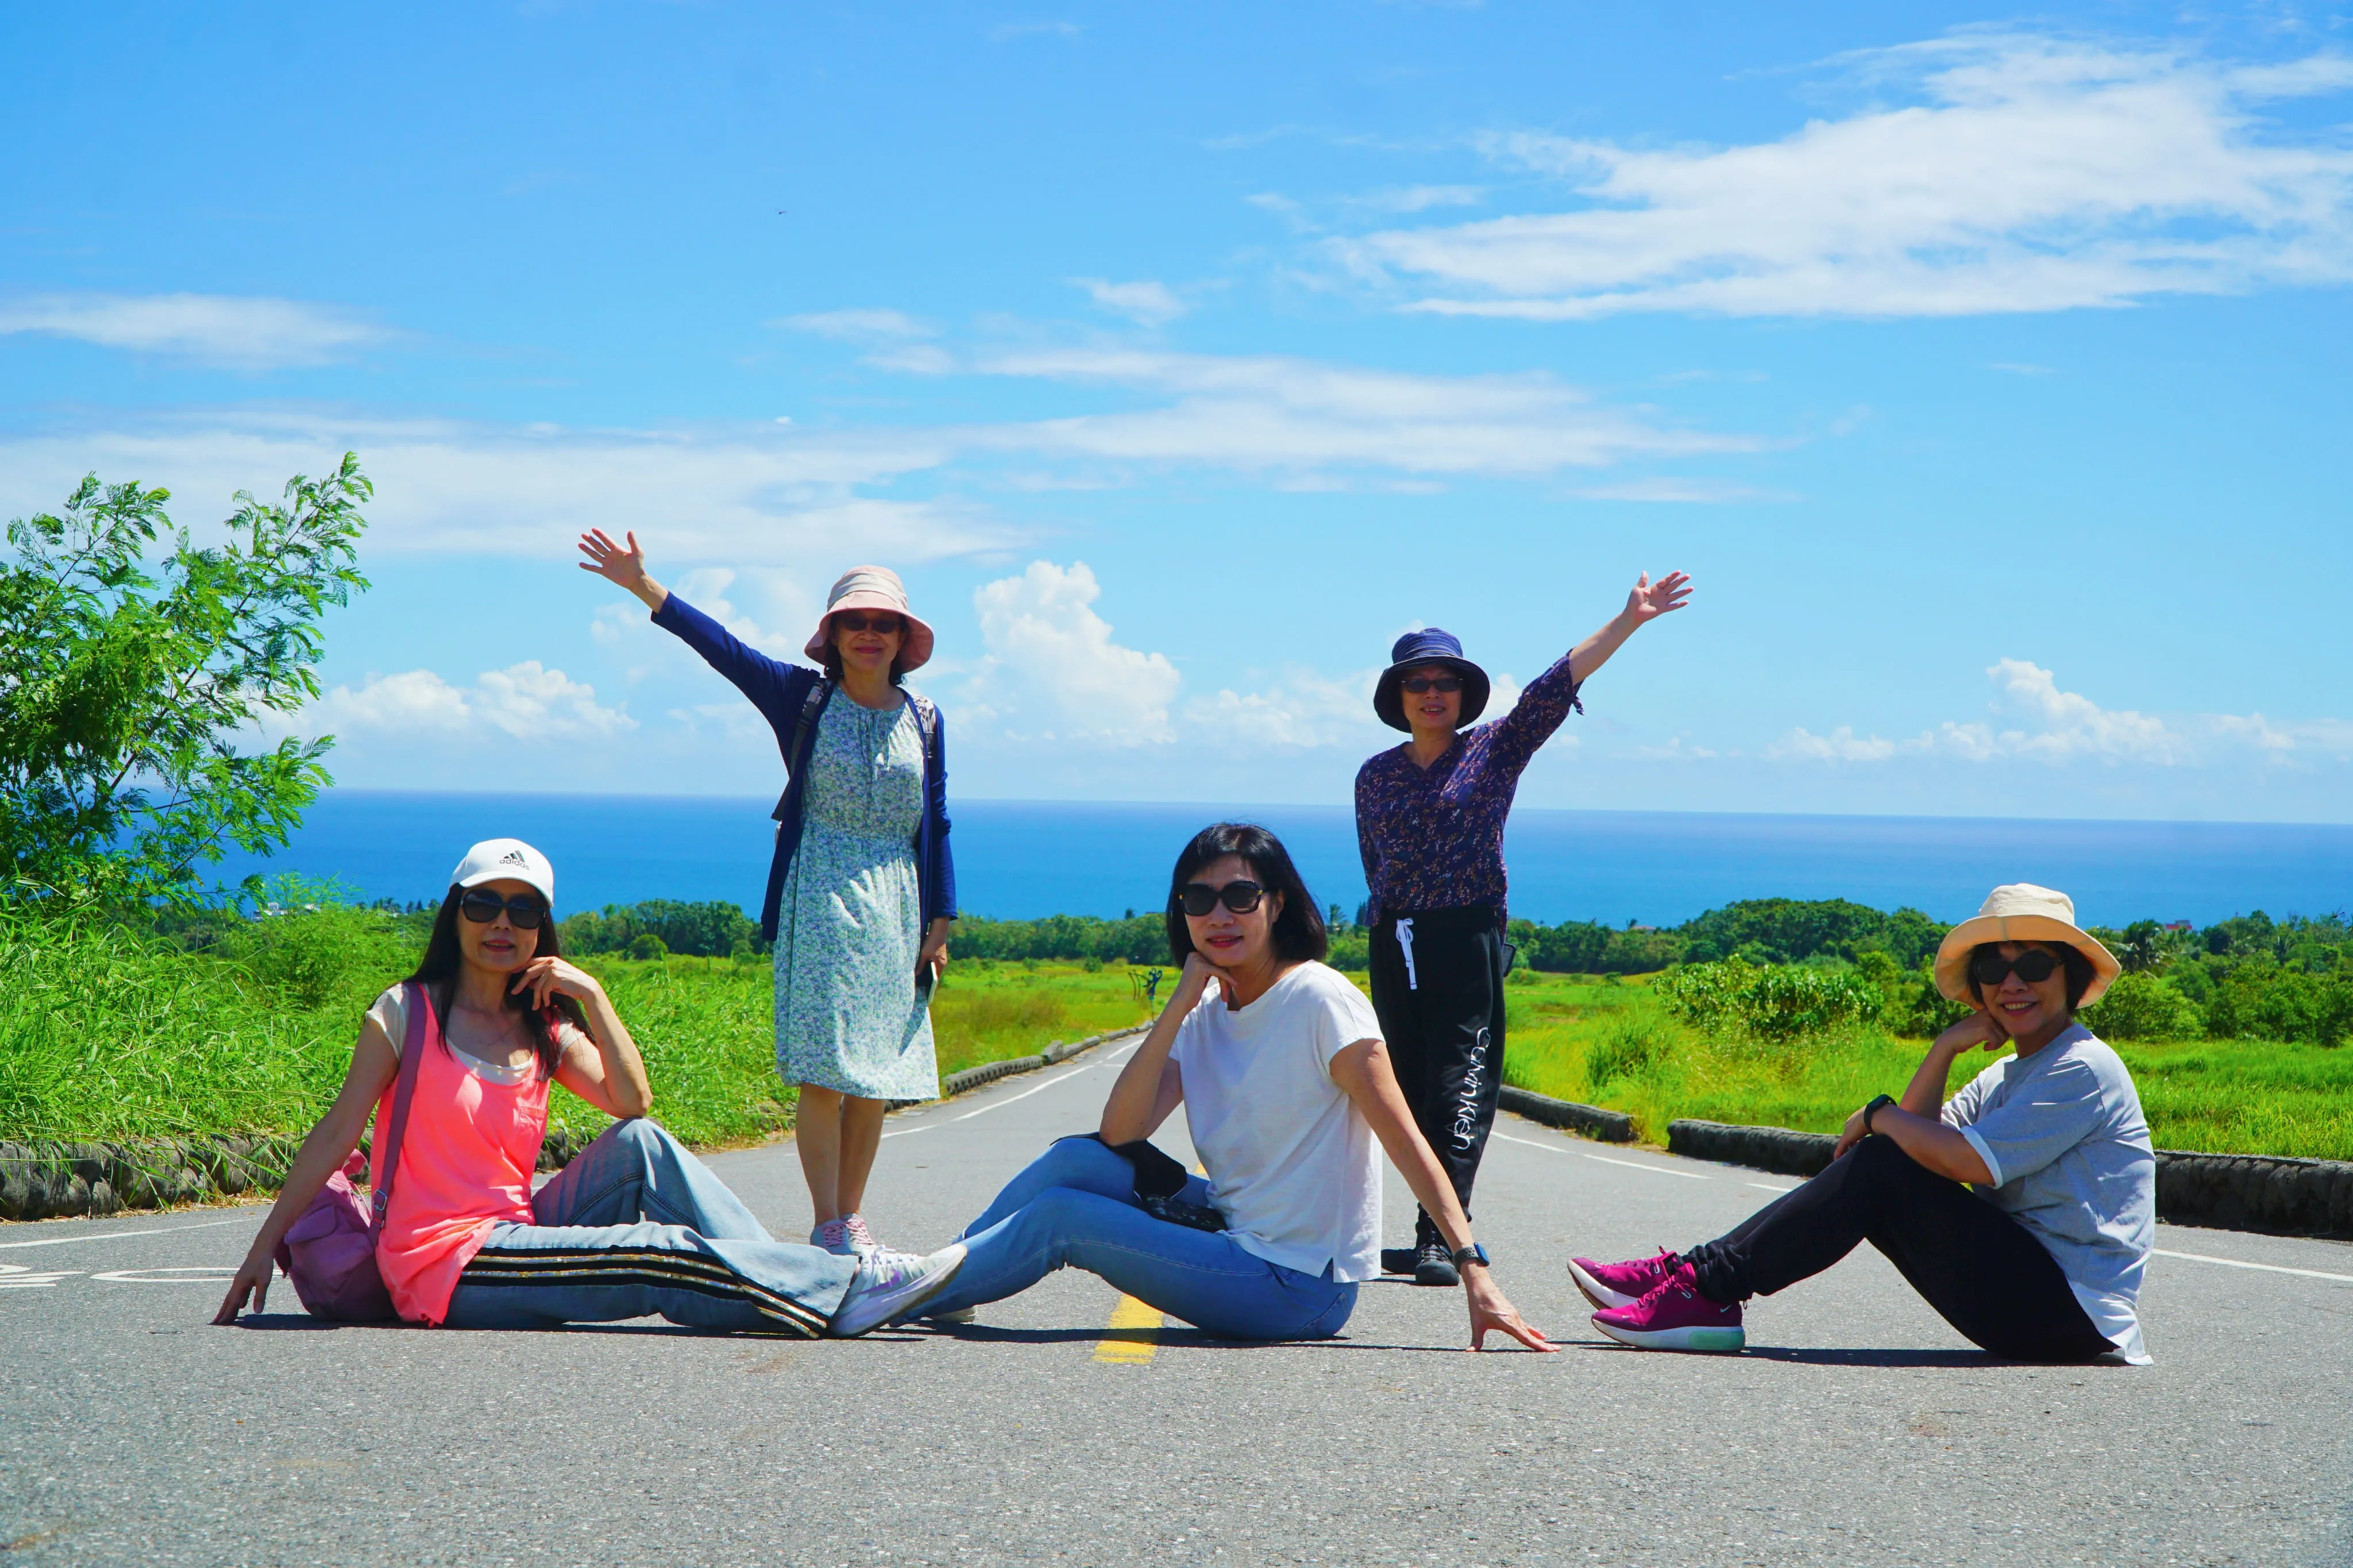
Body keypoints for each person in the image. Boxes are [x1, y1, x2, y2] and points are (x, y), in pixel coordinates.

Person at [213, 839, 964, 1335]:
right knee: (654, 1252)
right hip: (442, 1260)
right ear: (456, 915)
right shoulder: (407, 1012)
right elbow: (335, 1134)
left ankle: (799, 1283)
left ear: (542, 927)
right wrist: (262, 1244)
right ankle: (832, 1289)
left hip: (518, 1230)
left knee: (643, 1146)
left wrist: (594, 995)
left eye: (523, 909)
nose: (500, 923)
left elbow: (632, 1104)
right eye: (483, 905)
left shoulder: (539, 1025)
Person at [913, 822, 1556, 1351]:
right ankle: (933, 1276)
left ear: (1277, 904)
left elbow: (1405, 1139)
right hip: (1233, 1234)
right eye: (1199, 901)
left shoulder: (1319, 1000)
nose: (1219, 915)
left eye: (1240, 897)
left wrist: (1473, 1266)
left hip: (1296, 1286)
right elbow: (1119, 1135)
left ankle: (904, 1289)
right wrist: (1180, 1003)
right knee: (1076, 1159)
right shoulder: (1205, 1014)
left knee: (1062, 1219)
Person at [1571, 883, 2155, 1364]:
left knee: (1880, 1163)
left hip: (2073, 1314)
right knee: (1889, 1157)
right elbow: (1922, 1148)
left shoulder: (2082, 1067)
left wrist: (1879, 1116)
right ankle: (1695, 1278)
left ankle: (1706, 1289)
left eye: (2033, 965)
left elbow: (1961, 1162)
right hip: (2029, 1300)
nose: (2011, 984)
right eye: (1991, 968)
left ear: (2071, 978)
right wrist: (1943, 1049)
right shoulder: (2008, 1074)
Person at [577, 531, 954, 1261]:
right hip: (821, 893)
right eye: (855, 622)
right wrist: (643, 586)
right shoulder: (801, 698)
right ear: (833, 635)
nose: (869, 634)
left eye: (884, 624)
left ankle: (851, 1223)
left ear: (904, 638)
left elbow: (935, 823)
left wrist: (940, 922)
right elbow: (723, 649)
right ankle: (828, 1223)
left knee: (875, 1072)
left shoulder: (926, 719)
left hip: (898, 906)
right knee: (825, 1066)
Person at [1356, 573, 1692, 1286]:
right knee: (1408, 1088)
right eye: (1418, 681)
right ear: (1399, 698)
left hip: (1466, 939)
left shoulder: (1493, 750)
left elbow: (1551, 687)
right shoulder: (1374, 776)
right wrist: (1386, 931)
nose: (1433, 692)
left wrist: (1627, 620)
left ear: (1462, 693)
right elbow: (1373, 865)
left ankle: (1444, 1235)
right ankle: (1427, 1227)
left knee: (1460, 1081)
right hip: (1396, 943)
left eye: (1446, 680)